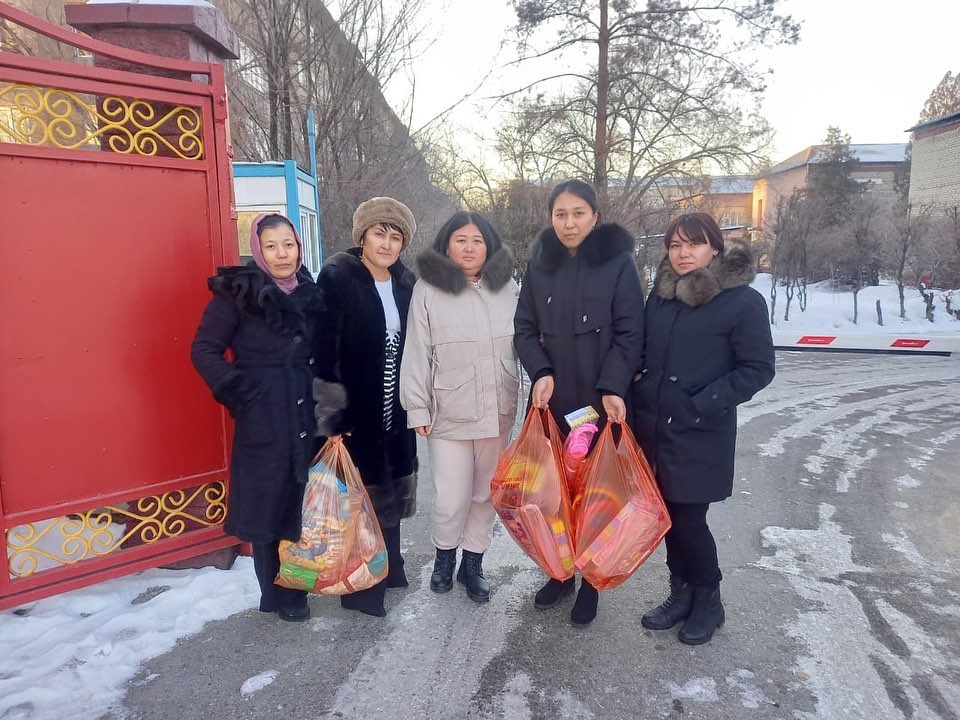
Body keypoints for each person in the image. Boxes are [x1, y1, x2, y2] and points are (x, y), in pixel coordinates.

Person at [631, 212, 775, 645]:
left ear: (714, 247)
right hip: (654, 429)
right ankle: (681, 594)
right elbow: (641, 352)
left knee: (690, 520)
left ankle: (709, 600)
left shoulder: (741, 302)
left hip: (699, 432)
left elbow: (758, 369)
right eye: (675, 245)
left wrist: (702, 404)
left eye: (693, 244)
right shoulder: (660, 298)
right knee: (667, 519)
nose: (682, 253)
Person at [514, 179, 644, 627]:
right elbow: (524, 329)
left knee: (598, 493)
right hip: (555, 398)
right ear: (551, 217)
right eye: (560, 214)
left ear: (595, 216)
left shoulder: (618, 263)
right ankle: (559, 571)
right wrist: (541, 373)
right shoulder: (539, 265)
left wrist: (613, 386)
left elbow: (631, 332)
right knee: (553, 493)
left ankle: (590, 580)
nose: (569, 223)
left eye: (578, 213)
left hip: (599, 398)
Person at [191, 213, 323, 622]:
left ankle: (298, 585)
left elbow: (329, 353)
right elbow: (204, 350)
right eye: (271, 246)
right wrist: (242, 393)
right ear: (258, 249)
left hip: (308, 410)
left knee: (304, 502)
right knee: (270, 502)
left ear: (299, 247)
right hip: (264, 414)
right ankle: (275, 591)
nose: (281, 254)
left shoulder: (312, 293)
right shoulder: (239, 292)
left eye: (288, 244)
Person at [400, 212, 520, 603]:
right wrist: (417, 408)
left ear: (489, 246)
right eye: (460, 240)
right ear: (446, 245)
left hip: (497, 410)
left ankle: (473, 563)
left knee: (485, 495)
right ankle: (444, 557)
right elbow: (416, 351)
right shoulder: (429, 290)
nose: (469, 248)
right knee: (451, 497)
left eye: (477, 241)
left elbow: (528, 342)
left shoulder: (508, 288)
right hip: (448, 411)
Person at [312, 197, 418, 618]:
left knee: (389, 489)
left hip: (397, 410)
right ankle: (360, 587)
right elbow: (324, 349)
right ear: (362, 236)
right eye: (380, 234)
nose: (387, 244)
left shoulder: (406, 283)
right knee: (358, 500)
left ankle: (390, 566)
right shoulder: (338, 276)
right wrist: (334, 415)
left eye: (395, 237)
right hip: (357, 411)